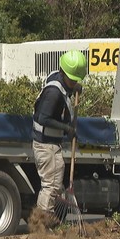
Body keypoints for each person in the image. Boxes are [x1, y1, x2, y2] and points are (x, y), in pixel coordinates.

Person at [31, 50, 87, 226]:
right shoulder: (54, 92)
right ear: (65, 74)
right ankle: (43, 221)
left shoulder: (59, 79)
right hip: (45, 144)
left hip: (50, 143)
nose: (75, 83)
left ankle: (46, 217)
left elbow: (65, 91)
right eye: (74, 80)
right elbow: (43, 118)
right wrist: (67, 128)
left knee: (55, 179)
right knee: (51, 184)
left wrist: (74, 89)